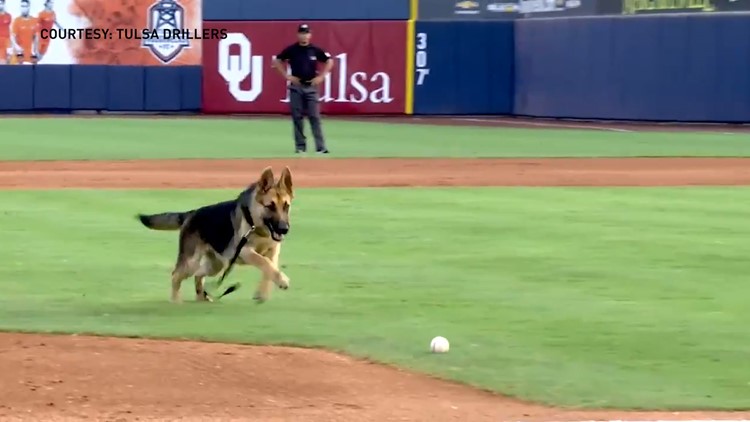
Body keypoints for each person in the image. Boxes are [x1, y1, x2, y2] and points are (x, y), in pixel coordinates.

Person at [273, 23, 334, 154]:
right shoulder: (292, 50)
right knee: (297, 117)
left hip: (311, 86)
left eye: (306, 33)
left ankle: (321, 146)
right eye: (301, 33)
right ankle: (300, 147)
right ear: (298, 34)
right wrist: (287, 76)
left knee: (314, 117)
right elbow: (277, 60)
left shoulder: (315, 50)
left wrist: (322, 76)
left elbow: (329, 61)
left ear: (310, 35)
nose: (304, 35)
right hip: (296, 86)